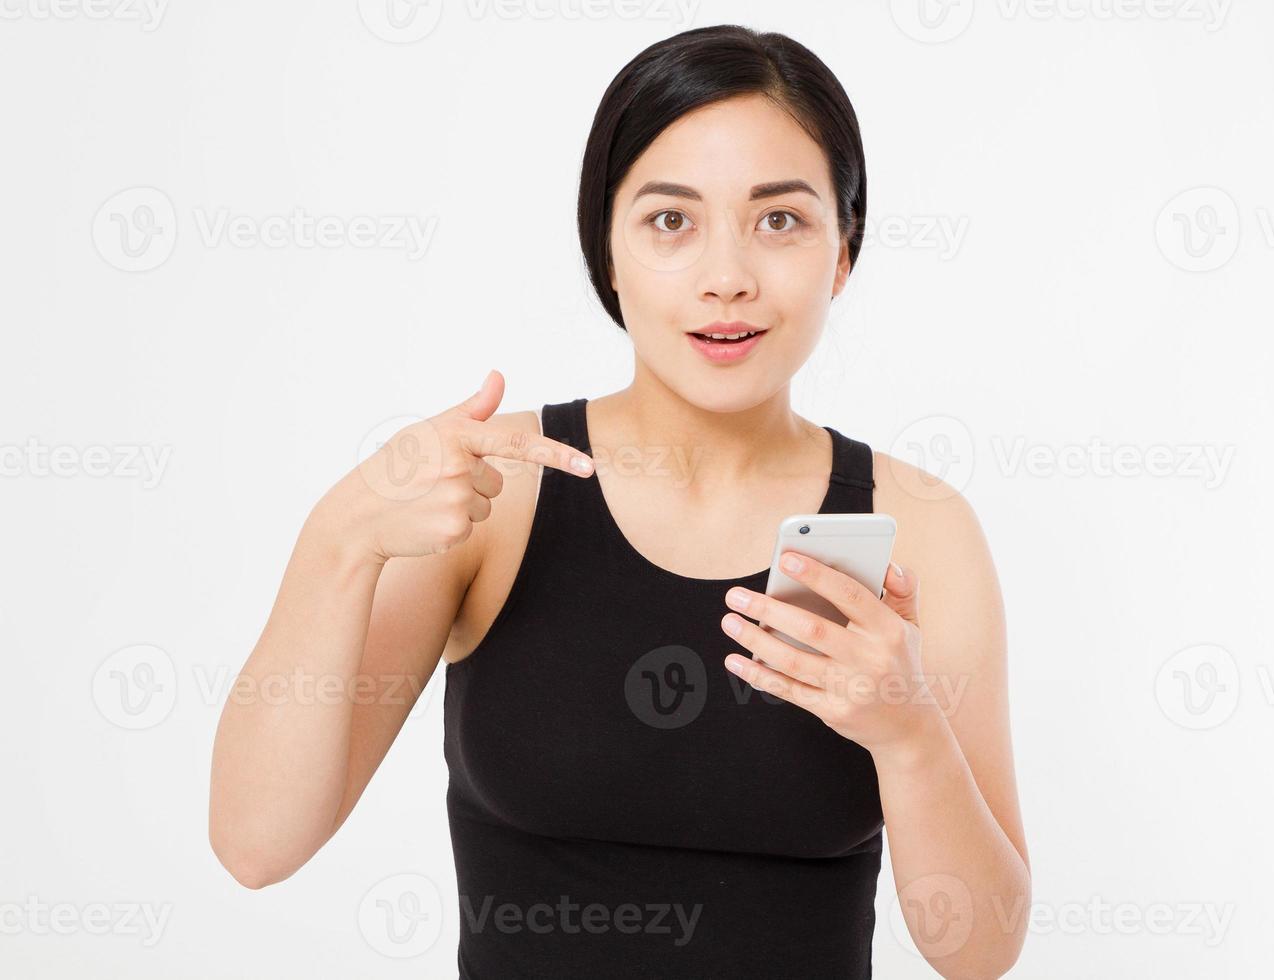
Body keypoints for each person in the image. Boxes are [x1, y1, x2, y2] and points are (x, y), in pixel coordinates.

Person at [209, 24, 1029, 979]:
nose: (728, 276)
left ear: (843, 250)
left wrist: (911, 732)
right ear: (606, 250)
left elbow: (981, 953)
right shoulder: (498, 484)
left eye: (780, 220)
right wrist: (340, 537)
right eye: (671, 221)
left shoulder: (922, 526)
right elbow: (256, 846)